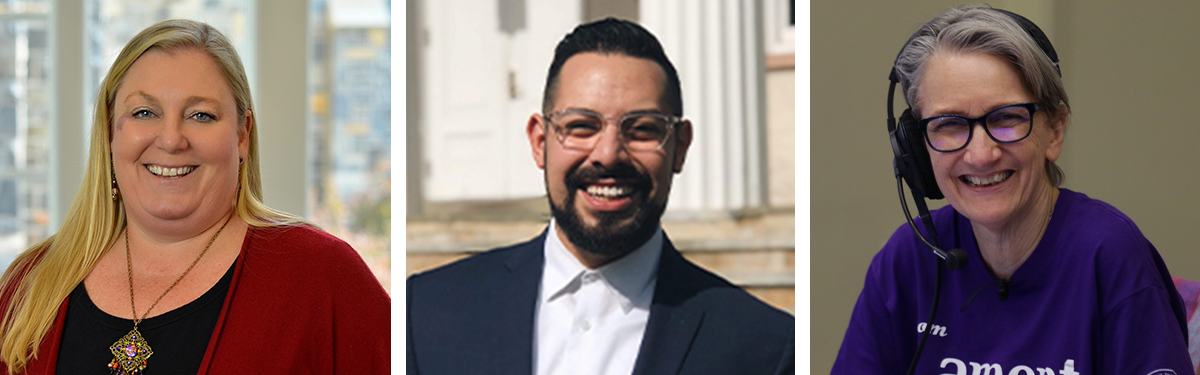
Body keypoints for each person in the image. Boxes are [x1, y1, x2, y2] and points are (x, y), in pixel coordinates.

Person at [405, 18, 795, 375]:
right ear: (540, 142)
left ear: (679, 147)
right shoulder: (425, 313)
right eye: (581, 126)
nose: (608, 154)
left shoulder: (767, 348)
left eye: (642, 129)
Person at [0, 20, 390, 374]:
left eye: (200, 115)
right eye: (143, 112)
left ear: (242, 134)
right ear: (109, 132)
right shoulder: (28, 287)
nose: (171, 140)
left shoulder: (321, 277)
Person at [832, 6, 1191, 374]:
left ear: (1054, 131)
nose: (982, 154)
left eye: (1006, 118)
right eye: (950, 124)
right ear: (916, 147)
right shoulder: (908, 259)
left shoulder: (1111, 254)